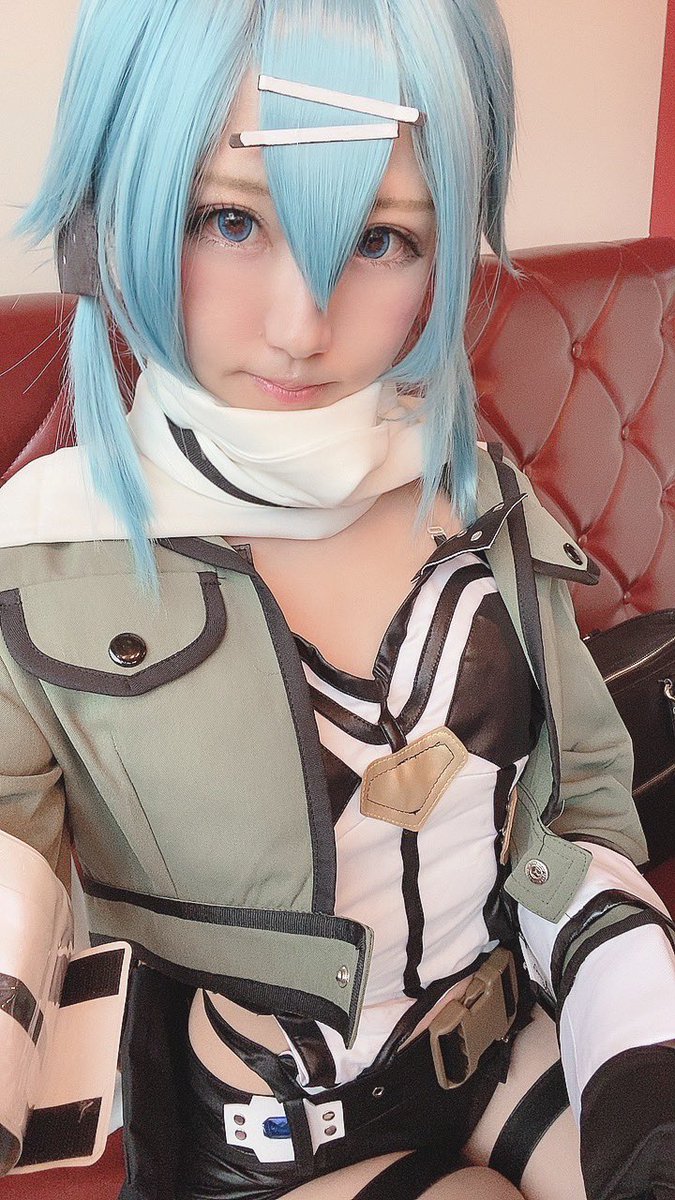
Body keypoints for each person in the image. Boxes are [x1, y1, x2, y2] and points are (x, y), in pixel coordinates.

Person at [0, 1, 674, 1197]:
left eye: (378, 239)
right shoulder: (45, 562)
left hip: (504, 1045)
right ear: (111, 220)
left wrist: (632, 1027)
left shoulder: (480, 498)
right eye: (228, 221)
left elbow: (580, 805)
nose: (303, 326)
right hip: (270, 1131)